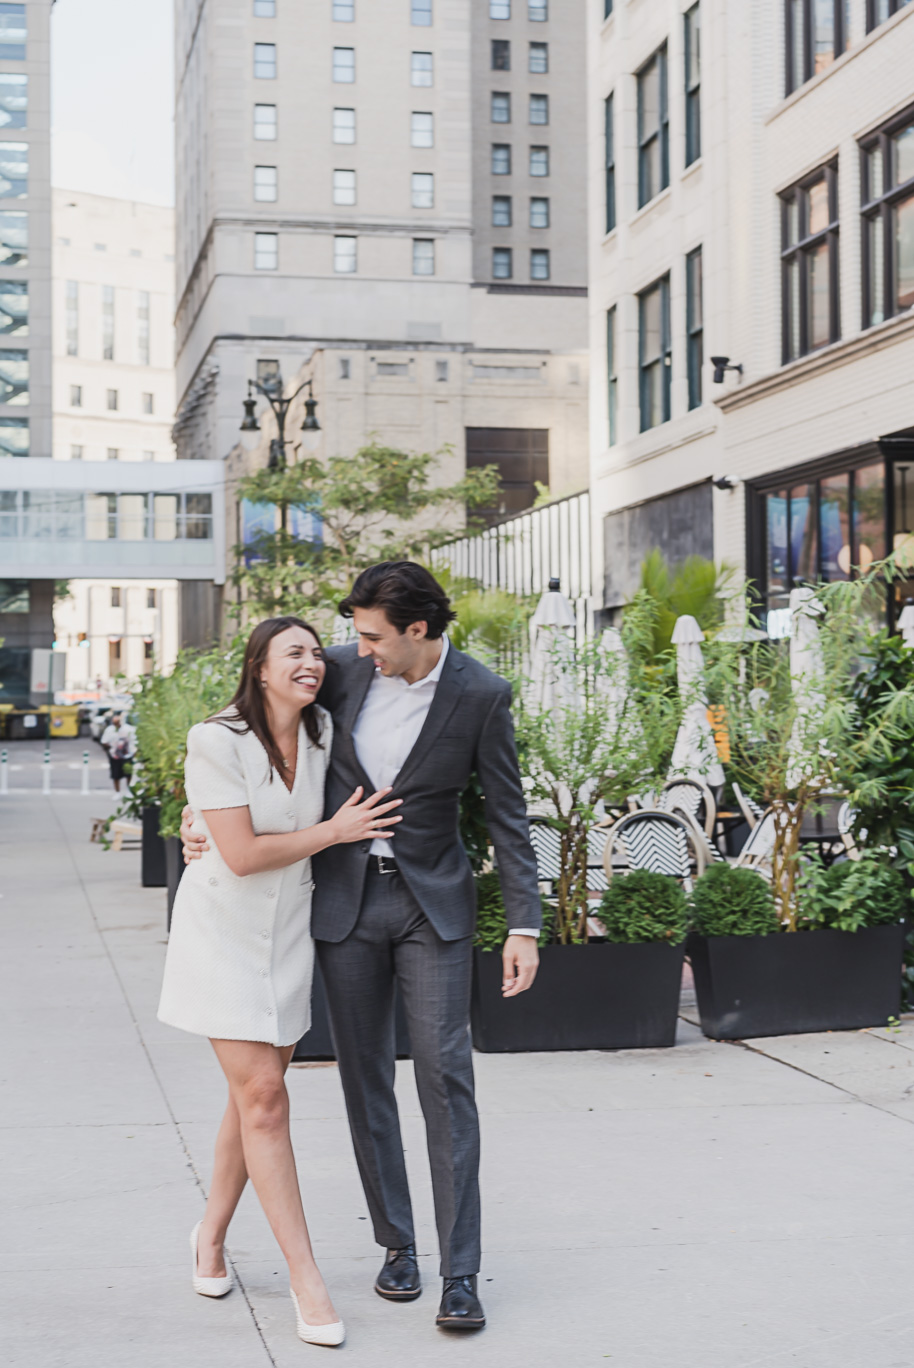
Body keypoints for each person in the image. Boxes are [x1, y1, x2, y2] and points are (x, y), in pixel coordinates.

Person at [182, 563, 542, 1334]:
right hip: (341, 903)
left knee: (447, 1080)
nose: (354, 646)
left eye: (372, 633)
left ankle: (461, 1272)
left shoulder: (480, 693)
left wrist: (524, 924)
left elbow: (508, 814)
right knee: (365, 1080)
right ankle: (397, 1245)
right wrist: (201, 819)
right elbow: (246, 721)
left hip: (430, 907)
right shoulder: (337, 669)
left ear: (417, 630)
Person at [159, 616, 402, 1348]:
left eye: (313, 653)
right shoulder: (216, 738)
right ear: (258, 667)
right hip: (222, 933)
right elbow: (235, 854)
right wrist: (333, 831)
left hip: (289, 934)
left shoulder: (326, 732)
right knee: (265, 1098)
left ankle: (208, 1234)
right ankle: (307, 1277)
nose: (310, 664)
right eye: (292, 653)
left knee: (251, 1099)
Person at [100, 712, 135, 793]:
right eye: (114, 722)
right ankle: (117, 792)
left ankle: (129, 791)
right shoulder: (110, 730)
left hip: (127, 756)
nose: (116, 724)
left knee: (128, 774)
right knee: (116, 775)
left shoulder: (128, 729)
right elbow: (104, 741)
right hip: (114, 756)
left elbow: (134, 741)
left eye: (117, 722)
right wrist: (109, 747)